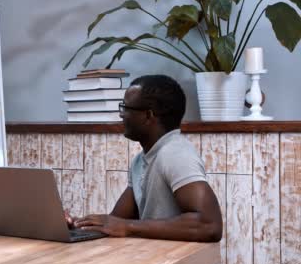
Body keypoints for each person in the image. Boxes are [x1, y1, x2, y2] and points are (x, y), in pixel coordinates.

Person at [69, 75, 222, 242]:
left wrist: (128, 227)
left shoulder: (175, 154)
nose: (121, 115)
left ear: (148, 116)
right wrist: (76, 225)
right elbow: (114, 222)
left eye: (125, 108)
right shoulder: (140, 161)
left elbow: (210, 226)